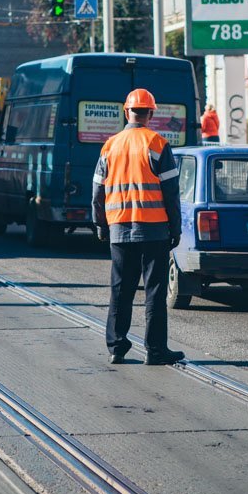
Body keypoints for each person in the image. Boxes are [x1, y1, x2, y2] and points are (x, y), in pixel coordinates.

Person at [92, 88, 185, 366]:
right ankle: (155, 351)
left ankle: (116, 347)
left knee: (121, 289)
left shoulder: (110, 146)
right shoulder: (157, 144)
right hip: (154, 229)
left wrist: (100, 224)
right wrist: (175, 228)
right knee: (154, 291)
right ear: (151, 113)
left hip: (119, 228)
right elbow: (171, 192)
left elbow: (97, 191)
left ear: (126, 111)